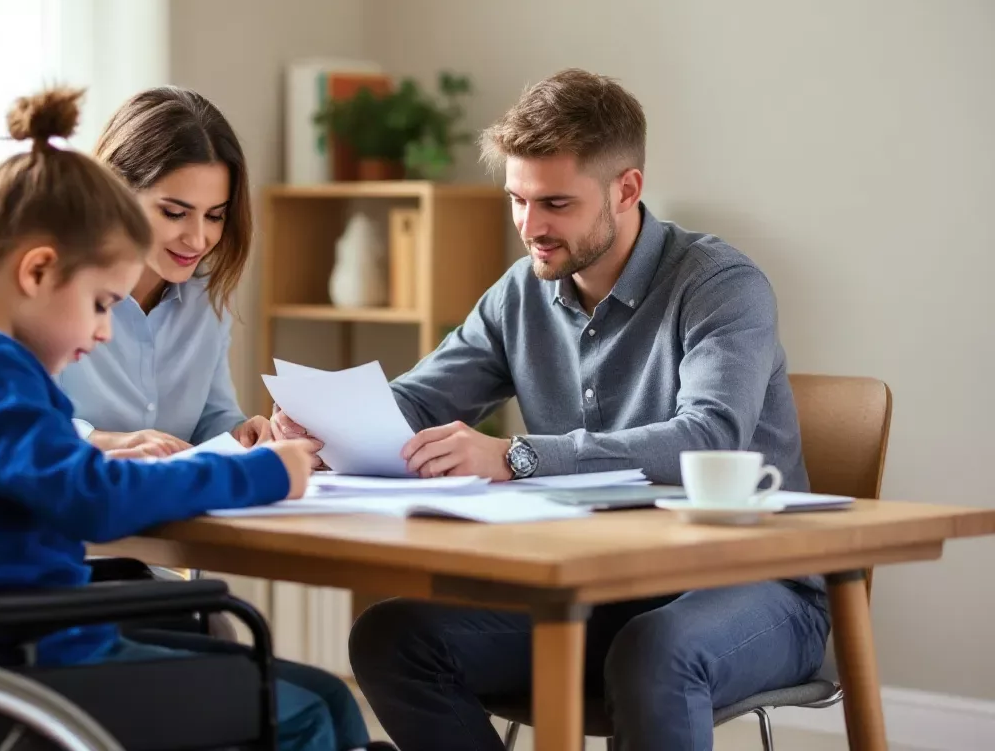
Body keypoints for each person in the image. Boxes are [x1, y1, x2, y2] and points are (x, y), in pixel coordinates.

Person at [271, 69, 829, 751]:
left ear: (627, 189)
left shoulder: (719, 285)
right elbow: (420, 399)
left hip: (751, 586)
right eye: (517, 200)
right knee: (395, 637)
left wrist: (518, 456)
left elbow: (709, 435)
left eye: (556, 203)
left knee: (655, 650)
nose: (530, 227)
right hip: (604, 585)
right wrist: (324, 422)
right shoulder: (520, 294)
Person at [0, 86, 379, 751]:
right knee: (312, 711)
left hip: (44, 636)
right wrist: (256, 476)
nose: (103, 331)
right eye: (98, 304)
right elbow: (93, 497)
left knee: (321, 699)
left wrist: (245, 446)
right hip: (39, 657)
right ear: (37, 270)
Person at [61, 86, 269, 459]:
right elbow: (15, 423)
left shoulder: (205, 291)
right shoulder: (54, 285)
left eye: (215, 215)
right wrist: (109, 441)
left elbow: (212, 416)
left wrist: (243, 433)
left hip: (171, 506)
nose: (198, 238)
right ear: (116, 192)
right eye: (175, 213)